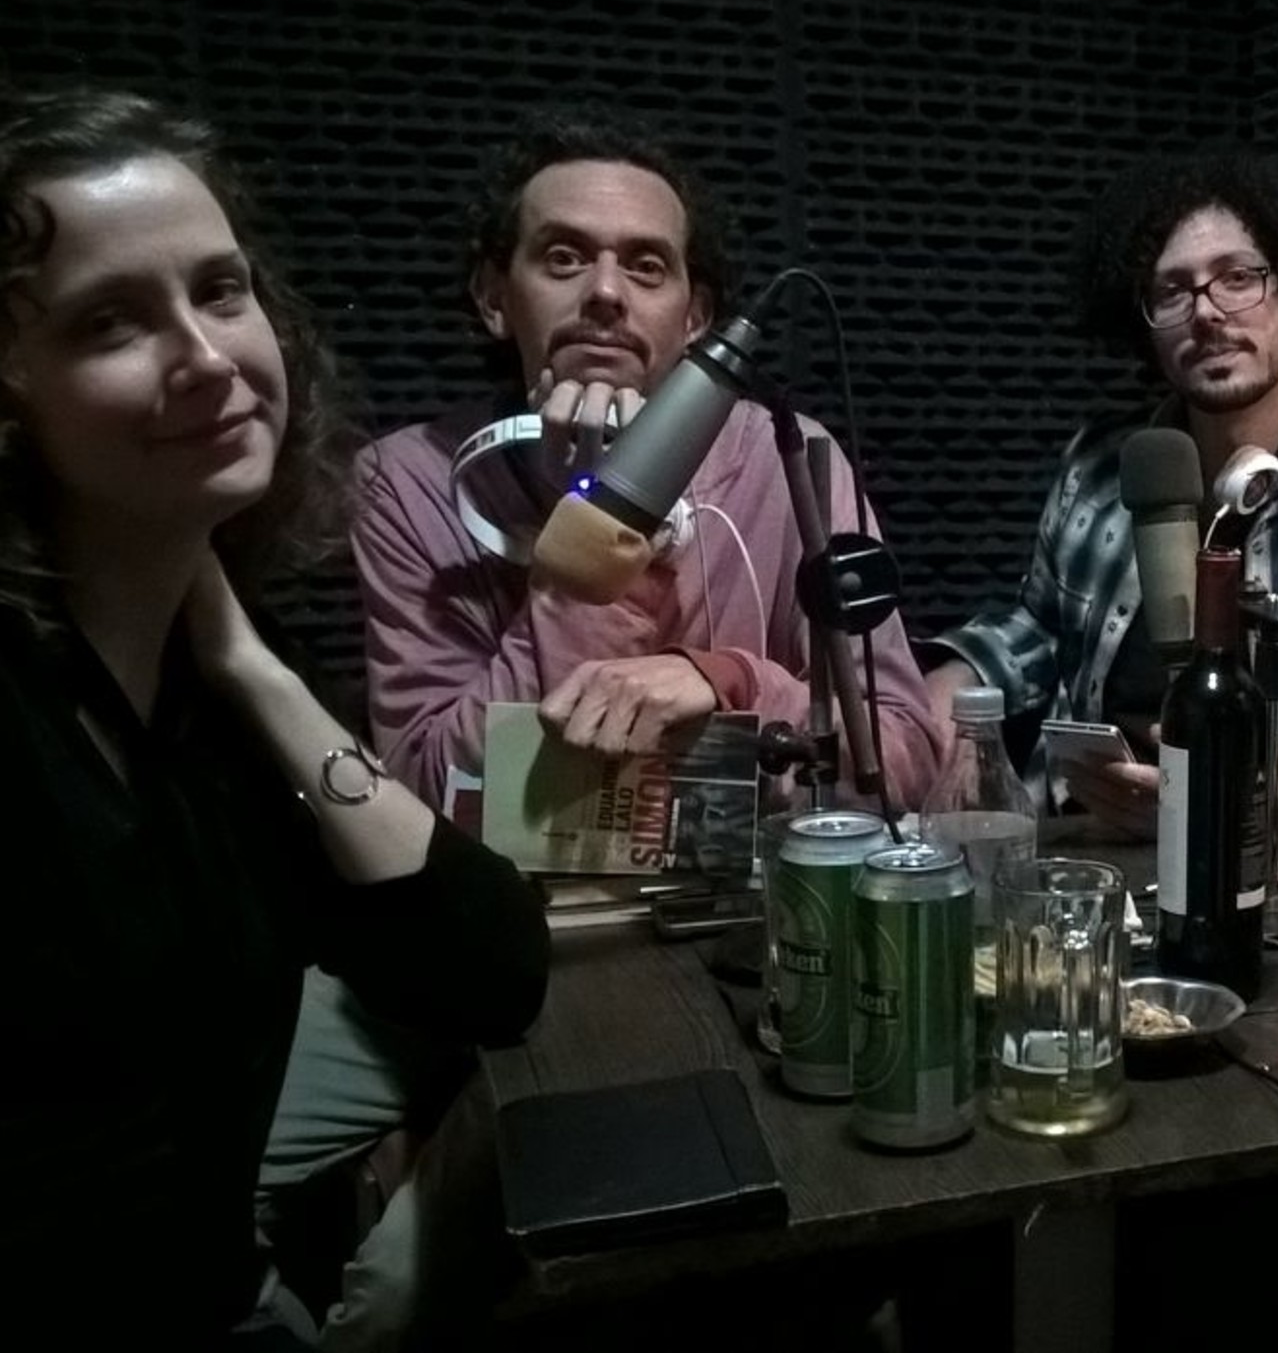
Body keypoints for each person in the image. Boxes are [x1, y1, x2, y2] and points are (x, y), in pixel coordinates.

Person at [0, 86, 549, 1348]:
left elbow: (489, 966)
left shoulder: (217, 679)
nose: (206, 356)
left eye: (221, 289)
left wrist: (255, 670)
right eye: (109, 320)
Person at [351, 106, 939, 819]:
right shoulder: (408, 482)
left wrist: (730, 680)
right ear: (493, 297)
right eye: (563, 258)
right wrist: (593, 539)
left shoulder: (789, 460)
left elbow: (902, 762)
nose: (605, 293)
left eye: (646, 266)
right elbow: (419, 796)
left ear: (696, 318)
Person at [924, 147, 1278, 838]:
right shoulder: (1099, 463)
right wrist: (954, 684)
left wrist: (1234, 781)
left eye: (1238, 278)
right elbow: (1043, 628)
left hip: (1264, 848)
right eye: (1173, 290)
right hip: (1083, 837)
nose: (1206, 312)